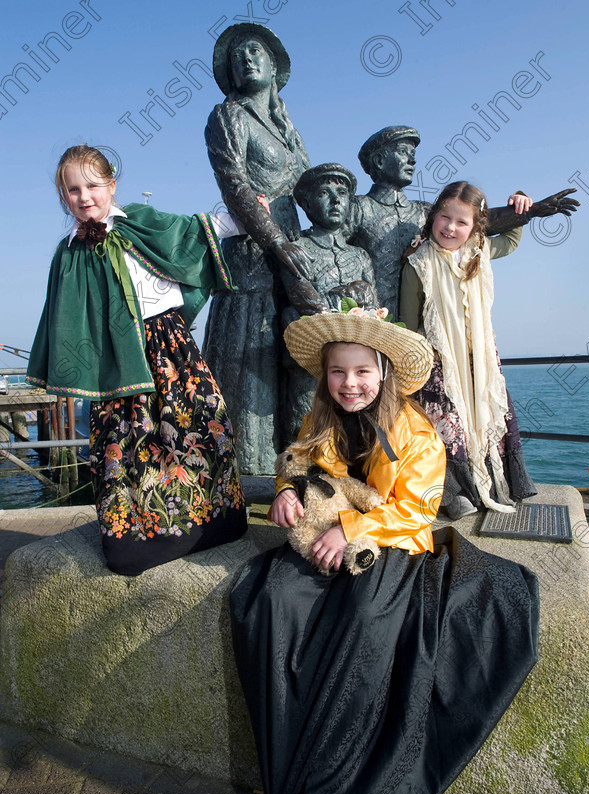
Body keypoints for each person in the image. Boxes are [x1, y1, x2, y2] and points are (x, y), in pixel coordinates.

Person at [230, 308, 539, 794]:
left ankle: (341, 776)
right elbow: (295, 460)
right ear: (326, 377)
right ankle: (287, 759)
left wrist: (349, 529)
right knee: (270, 601)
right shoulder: (320, 416)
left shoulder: (417, 433)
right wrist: (285, 490)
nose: (350, 384)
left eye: (362, 372)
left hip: (389, 541)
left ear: (384, 371)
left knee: (366, 615)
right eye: (338, 373)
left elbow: (416, 510)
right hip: (327, 535)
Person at [27, 144, 249, 575]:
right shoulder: (68, 253)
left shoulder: (143, 223)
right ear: (63, 197)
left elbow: (200, 230)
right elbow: (62, 317)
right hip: (116, 363)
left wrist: (249, 211)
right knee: (130, 442)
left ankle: (216, 522)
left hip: (171, 348)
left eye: (93, 185)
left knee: (202, 421)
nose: (84, 196)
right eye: (73, 190)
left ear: (112, 185)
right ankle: (139, 542)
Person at [203, 23, 311, 475]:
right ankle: (247, 474)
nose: (245, 59)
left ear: (274, 66)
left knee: (296, 365)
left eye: (255, 52)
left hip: (294, 260)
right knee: (251, 366)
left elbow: (315, 193)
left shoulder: (287, 127)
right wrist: (276, 245)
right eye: (236, 56)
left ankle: (299, 469)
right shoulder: (228, 115)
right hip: (251, 261)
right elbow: (236, 187)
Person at [400, 181, 537, 519]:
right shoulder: (419, 262)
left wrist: (518, 196)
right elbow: (406, 321)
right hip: (438, 361)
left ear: (476, 226)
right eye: (444, 217)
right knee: (448, 426)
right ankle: (454, 494)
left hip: (481, 360)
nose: (450, 227)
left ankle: (496, 482)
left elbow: (511, 240)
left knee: (489, 415)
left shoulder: (479, 250)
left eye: (462, 222)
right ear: (433, 217)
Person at [349, 125, 580, 320]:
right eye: (402, 151)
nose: (412, 159)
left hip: (426, 331)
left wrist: (529, 210)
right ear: (379, 160)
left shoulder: (424, 212)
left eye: (413, 154)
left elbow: (481, 221)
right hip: (373, 327)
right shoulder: (358, 209)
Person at [280, 162, 378, 443]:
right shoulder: (299, 249)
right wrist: (353, 292)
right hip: (311, 363)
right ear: (308, 204)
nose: (336, 200)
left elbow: (375, 308)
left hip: (354, 369)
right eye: (325, 193)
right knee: (307, 433)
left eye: (342, 194)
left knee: (354, 435)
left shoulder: (360, 256)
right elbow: (303, 302)